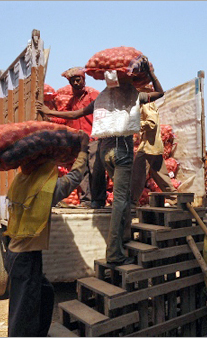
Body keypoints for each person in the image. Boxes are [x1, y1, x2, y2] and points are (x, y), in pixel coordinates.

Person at [38, 57, 163, 266]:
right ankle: (115, 252)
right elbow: (160, 93)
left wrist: (49, 112)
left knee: (120, 197)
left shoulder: (102, 96)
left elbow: (77, 113)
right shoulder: (132, 94)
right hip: (122, 149)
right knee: (121, 200)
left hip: (105, 151)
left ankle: (123, 237)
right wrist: (151, 74)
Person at [4, 131, 90, 337]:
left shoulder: (22, 181)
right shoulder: (44, 190)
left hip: (18, 254)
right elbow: (75, 177)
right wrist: (84, 150)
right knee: (22, 314)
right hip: (25, 259)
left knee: (44, 295)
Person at [60, 67, 106, 209]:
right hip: (79, 142)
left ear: (83, 80)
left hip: (94, 138)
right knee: (83, 171)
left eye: (78, 79)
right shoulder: (72, 101)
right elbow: (64, 117)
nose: (76, 83)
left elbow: (104, 112)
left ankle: (98, 201)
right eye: (72, 80)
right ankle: (86, 200)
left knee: (96, 169)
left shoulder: (93, 95)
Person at [130, 85, 177, 209]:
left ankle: (131, 203)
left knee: (137, 176)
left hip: (147, 147)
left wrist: (135, 124)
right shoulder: (146, 104)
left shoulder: (147, 104)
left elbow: (152, 123)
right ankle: (177, 199)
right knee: (161, 176)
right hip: (153, 146)